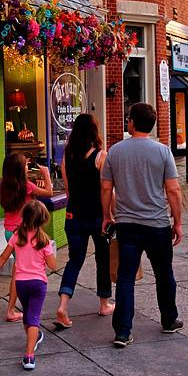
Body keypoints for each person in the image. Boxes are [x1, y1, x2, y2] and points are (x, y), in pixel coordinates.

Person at [100, 103, 184, 348]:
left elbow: (105, 187)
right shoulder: (163, 152)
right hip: (157, 224)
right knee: (164, 273)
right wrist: (177, 221)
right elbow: (173, 190)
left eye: (128, 118)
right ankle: (169, 319)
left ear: (132, 122)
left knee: (125, 277)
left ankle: (123, 331)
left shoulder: (115, 151)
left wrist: (107, 215)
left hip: (127, 225)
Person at [54, 114, 114, 330]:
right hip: (97, 217)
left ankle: (63, 306)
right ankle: (104, 304)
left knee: (74, 260)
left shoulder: (67, 156)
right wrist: (110, 215)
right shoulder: (101, 156)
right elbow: (106, 190)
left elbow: (68, 191)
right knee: (102, 259)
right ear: (94, 132)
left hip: (74, 216)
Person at [0, 201, 58, 370]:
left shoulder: (17, 236)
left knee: (27, 316)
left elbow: (3, 257)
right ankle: (29, 356)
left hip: (21, 283)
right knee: (33, 317)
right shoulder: (44, 241)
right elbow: (53, 265)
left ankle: (34, 338)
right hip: (38, 283)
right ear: (43, 220)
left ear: (24, 217)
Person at [0, 153, 53, 322]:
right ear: (19, 169)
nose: (27, 167)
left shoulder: (5, 186)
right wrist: (46, 174)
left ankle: (16, 306)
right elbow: (49, 192)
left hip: (9, 231)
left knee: (18, 269)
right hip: (21, 232)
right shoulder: (27, 187)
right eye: (25, 165)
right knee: (20, 271)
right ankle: (11, 310)